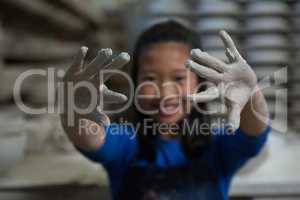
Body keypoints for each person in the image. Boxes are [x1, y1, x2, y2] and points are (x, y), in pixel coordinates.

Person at [60, 20, 271, 200]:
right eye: (150, 79)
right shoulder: (125, 141)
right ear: (135, 83)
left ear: (199, 82)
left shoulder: (216, 144)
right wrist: (75, 107)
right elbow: (87, 137)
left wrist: (251, 94)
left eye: (179, 78)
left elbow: (253, 133)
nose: (165, 93)